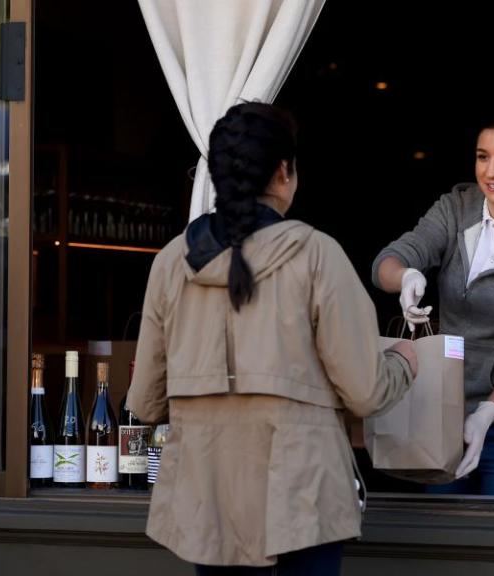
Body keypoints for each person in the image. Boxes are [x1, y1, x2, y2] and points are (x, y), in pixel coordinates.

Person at [127, 102, 417, 575]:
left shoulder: (170, 263)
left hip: (209, 501)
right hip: (301, 501)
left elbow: (146, 403)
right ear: (285, 171)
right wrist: (405, 360)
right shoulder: (318, 256)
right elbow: (364, 391)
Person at [371, 111, 494, 497]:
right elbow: (388, 261)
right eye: (482, 156)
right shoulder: (457, 207)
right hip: (446, 412)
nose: (491, 170)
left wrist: (489, 411)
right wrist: (405, 275)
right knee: (441, 538)